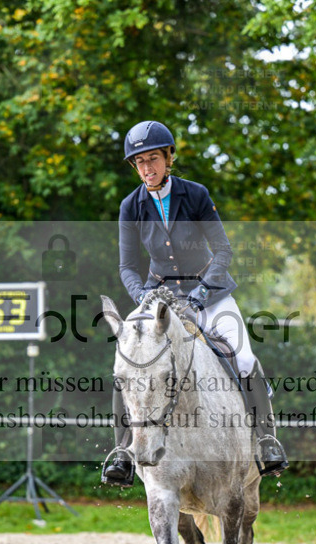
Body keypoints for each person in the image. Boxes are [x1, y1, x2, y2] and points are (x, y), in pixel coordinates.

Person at [101, 120, 289, 486]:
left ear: (168, 158)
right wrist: (143, 297)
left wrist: (202, 293)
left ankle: (266, 439)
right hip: (157, 298)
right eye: (139, 163)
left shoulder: (196, 194)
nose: (146, 169)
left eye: (153, 159)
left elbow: (223, 250)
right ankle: (122, 450)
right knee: (128, 358)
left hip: (210, 292)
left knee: (245, 355)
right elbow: (127, 266)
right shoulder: (130, 206)